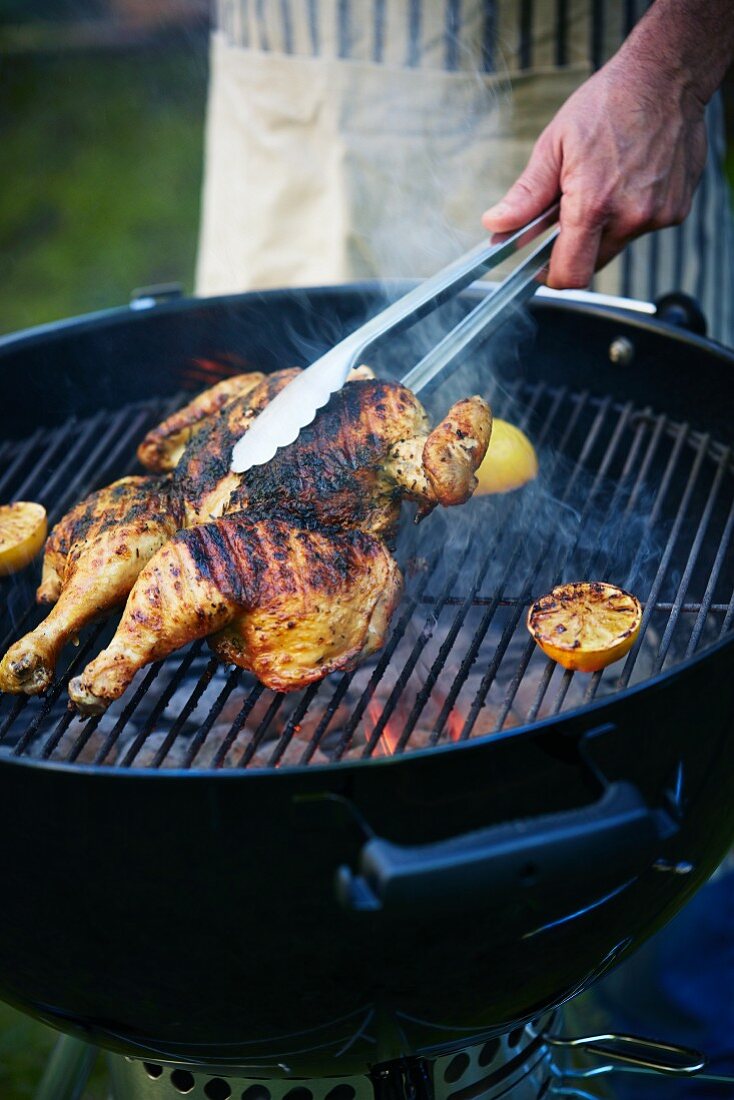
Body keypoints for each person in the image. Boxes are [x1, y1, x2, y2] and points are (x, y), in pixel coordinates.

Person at [196, 4, 734, 1094]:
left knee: (685, 891)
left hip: (584, 100)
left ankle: (677, 1040)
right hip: (289, 113)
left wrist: (672, 67)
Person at [198, 0, 734, 344]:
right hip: (287, 93)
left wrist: (669, 71)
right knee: (257, 397)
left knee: (648, 417)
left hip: (600, 98)